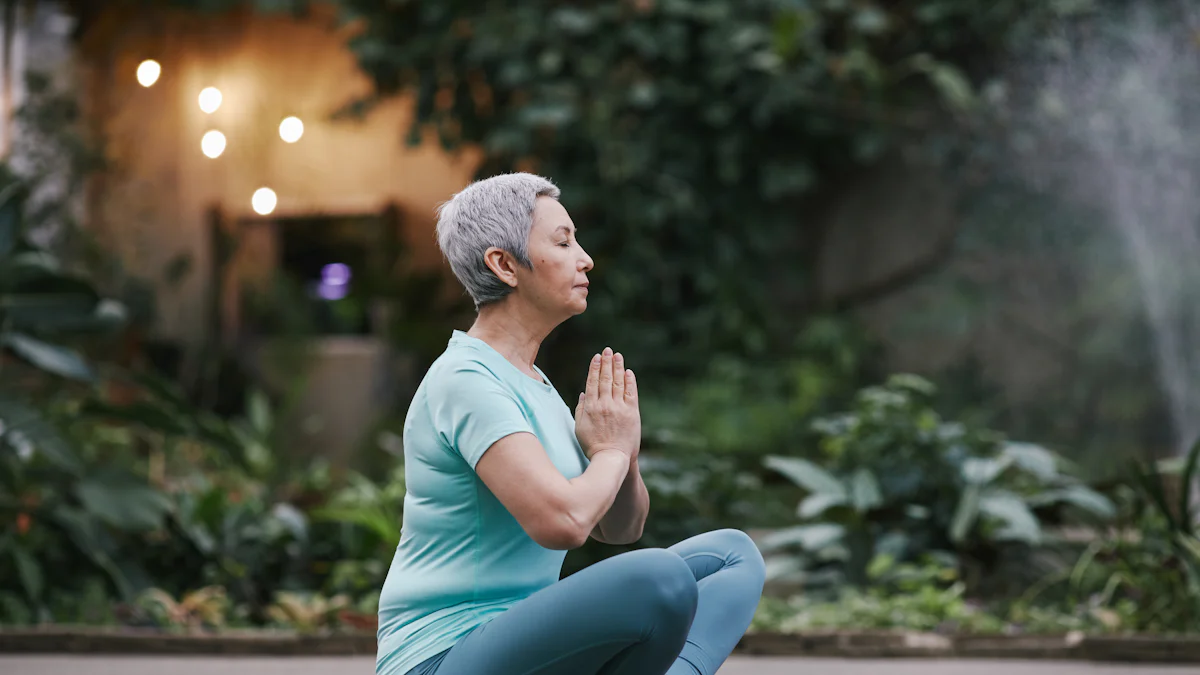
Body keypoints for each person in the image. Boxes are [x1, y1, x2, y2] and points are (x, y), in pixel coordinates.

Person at [376, 173, 766, 675]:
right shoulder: (465, 380)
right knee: (658, 579)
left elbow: (620, 527)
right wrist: (610, 452)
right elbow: (561, 523)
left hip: (519, 644)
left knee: (733, 555)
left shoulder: (533, 382)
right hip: (442, 655)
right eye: (562, 242)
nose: (585, 258)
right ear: (505, 265)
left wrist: (623, 449)